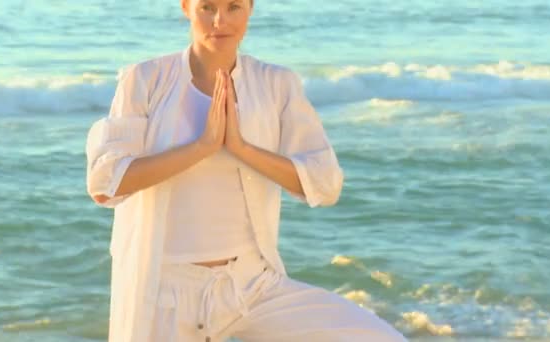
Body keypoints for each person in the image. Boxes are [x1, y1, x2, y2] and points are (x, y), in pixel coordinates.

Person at [85, 0, 408, 341]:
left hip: (252, 285)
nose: (220, 20)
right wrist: (202, 147)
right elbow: (105, 183)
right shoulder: (145, 79)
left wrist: (242, 148)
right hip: (165, 293)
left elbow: (326, 184)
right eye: (207, 7)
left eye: (234, 7)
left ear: (251, 8)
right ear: (185, 7)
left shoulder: (276, 84)